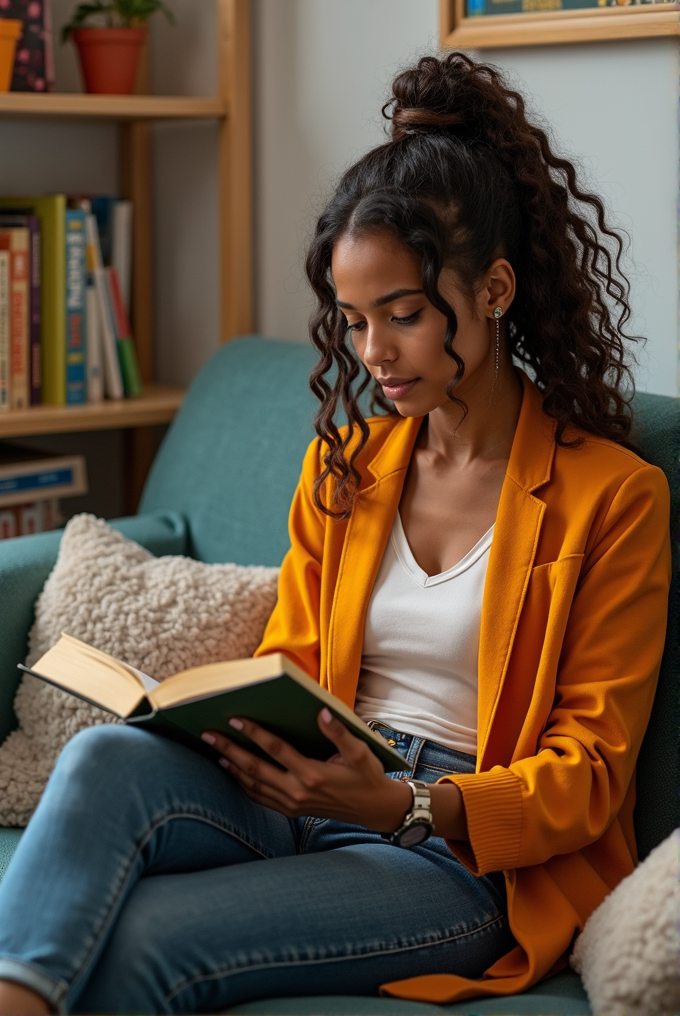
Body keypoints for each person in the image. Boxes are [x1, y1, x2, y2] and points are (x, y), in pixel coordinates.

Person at [0, 53, 670, 1015]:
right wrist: (229, 722)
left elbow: (591, 775)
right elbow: (295, 661)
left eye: (402, 316)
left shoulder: (613, 497)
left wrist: (401, 802)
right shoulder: (345, 469)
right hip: (308, 780)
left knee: (142, 940)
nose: (373, 355)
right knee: (102, 757)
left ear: (492, 291)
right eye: (354, 320)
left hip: (453, 856)